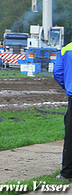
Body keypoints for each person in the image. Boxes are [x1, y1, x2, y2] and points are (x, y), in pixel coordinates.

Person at [53, 42, 72, 180]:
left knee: (70, 136)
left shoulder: (67, 48)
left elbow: (57, 72)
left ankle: (66, 173)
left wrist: (68, 86)